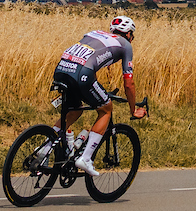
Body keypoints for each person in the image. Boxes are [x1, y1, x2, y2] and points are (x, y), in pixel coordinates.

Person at [46, 16, 148, 177]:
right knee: (106, 109)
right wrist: (133, 109)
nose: (132, 39)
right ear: (128, 34)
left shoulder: (95, 33)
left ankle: (45, 148)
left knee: (76, 109)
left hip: (61, 70)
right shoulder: (126, 45)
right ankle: (85, 158)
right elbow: (129, 84)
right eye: (132, 35)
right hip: (82, 75)